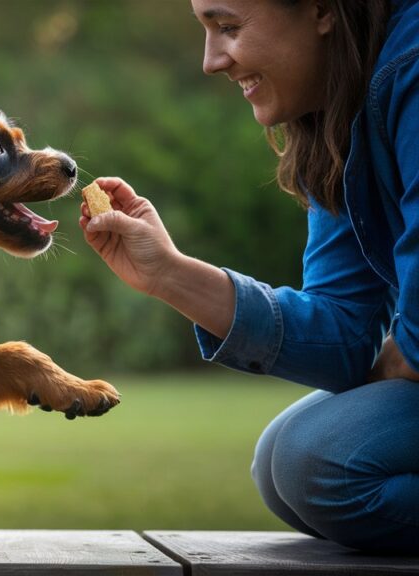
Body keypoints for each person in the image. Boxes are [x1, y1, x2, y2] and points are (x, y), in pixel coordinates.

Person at [79, 0, 418, 554]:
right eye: (207, 30)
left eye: (229, 27)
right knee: (283, 466)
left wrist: (407, 352)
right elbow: (346, 337)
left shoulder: (411, 69)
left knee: (320, 465)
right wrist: (168, 273)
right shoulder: (336, 107)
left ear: (322, 10)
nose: (212, 60)